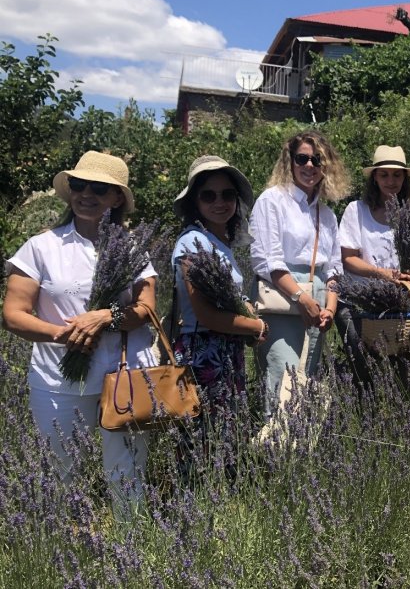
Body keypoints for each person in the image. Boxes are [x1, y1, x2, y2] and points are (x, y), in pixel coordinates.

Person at [2, 151, 156, 517]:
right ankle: (55, 552)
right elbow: (12, 315)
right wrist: (65, 334)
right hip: (57, 378)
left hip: (125, 374)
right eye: (79, 184)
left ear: (117, 198)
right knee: (58, 473)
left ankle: (130, 547)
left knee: (127, 472)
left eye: (99, 188)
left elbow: (148, 308)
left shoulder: (134, 248)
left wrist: (105, 317)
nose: (86, 193)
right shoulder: (42, 246)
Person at [171, 155, 266, 480]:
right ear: (195, 202)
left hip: (225, 353)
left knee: (219, 440)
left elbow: (227, 304)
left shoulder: (219, 244)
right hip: (202, 356)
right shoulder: (191, 243)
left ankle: (213, 512)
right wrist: (254, 325)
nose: (219, 202)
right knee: (199, 441)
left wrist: (246, 314)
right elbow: (205, 314)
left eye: (227, 194)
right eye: (208, 195)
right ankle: (186, 514)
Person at [250, 130, 350, 415]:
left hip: (317, 304)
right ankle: (272, 452)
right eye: (302, 158)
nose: (309, 166)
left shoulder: (327, 214)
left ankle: (296, 452)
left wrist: (330, 308)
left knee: (305, 381)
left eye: (317, 159)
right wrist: (300, 298)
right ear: (290, 162)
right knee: (281, 376)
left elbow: (333, 269)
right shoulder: (272, 200)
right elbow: (268, 261)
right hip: (281, 299)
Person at [336, 145, 410, 385]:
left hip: (401, 303)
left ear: (405, 178)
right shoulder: (356, 210)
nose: (391, 181)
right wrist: (382, 274)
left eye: (397, 175)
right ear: (374, 178)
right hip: (359, 305)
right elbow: (347, 258)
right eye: (384, 175)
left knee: (403, 371)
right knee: (364, 371)